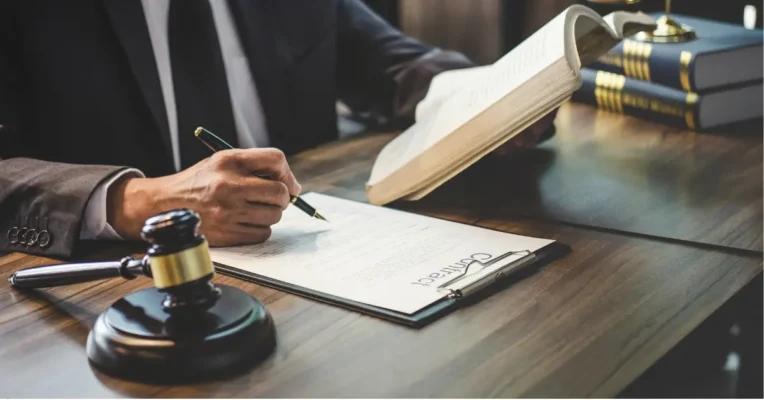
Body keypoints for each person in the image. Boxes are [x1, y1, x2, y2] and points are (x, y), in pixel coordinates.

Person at [0, 0, 556, 259]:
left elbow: (390, 62)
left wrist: (491, 99)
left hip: (306, 264)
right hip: (115, 299)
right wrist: (139, 199)